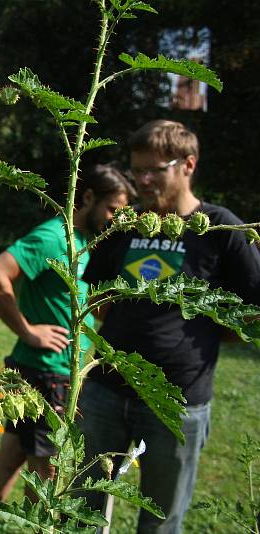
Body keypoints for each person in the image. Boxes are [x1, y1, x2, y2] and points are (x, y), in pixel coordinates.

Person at [79, 120, 260, 533]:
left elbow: (252, 311)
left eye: (155, 170)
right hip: (105, 391)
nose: (142, 180)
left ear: (188, 165)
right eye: (136, 169)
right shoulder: (125, 224)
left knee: (161, 521)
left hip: (178, 404)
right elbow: (99, 297)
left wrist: (207, 334)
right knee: (82, 511)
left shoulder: (220, 229)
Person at [0, 165, 134, 503]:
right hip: (47, 375)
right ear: (88, 196)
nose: (115, 220)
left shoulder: (85, 243)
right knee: (48, 475)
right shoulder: (52, 237)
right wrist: (28, 330)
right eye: (112, 210)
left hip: (42, 371)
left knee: (9, 459)